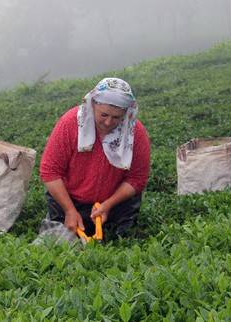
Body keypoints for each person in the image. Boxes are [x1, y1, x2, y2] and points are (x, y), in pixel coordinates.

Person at [39, 77, 150, 240]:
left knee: (119, 240)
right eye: (104, 114)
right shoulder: (70, 124)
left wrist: (108, 205)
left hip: (115, 203)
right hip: (71, 200)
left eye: (116, 117)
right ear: (93, 104)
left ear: (126, 113)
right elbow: (50, 172)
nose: (108, 122)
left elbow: (137, 179)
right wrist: (69, 210)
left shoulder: (135, 133)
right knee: (60, 242)